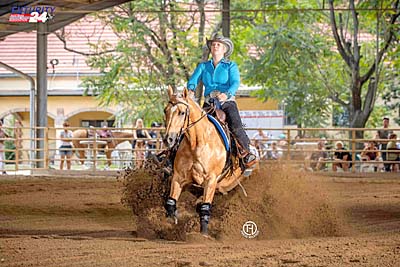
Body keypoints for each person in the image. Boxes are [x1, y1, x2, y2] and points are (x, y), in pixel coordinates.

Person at [186, 33, 256, 168]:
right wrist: (191, 89)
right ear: (211, 48)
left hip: (227, 102)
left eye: (218, 44)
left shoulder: (231, 65)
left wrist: (227, 94)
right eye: (213, 44)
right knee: (192, 124)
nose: (215, 46)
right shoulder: (203, 66)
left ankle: (246, 153)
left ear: (224, 49)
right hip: (209, 102)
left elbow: (235, 82)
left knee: (235, 124)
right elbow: (193, 79)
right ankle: (176, 154)